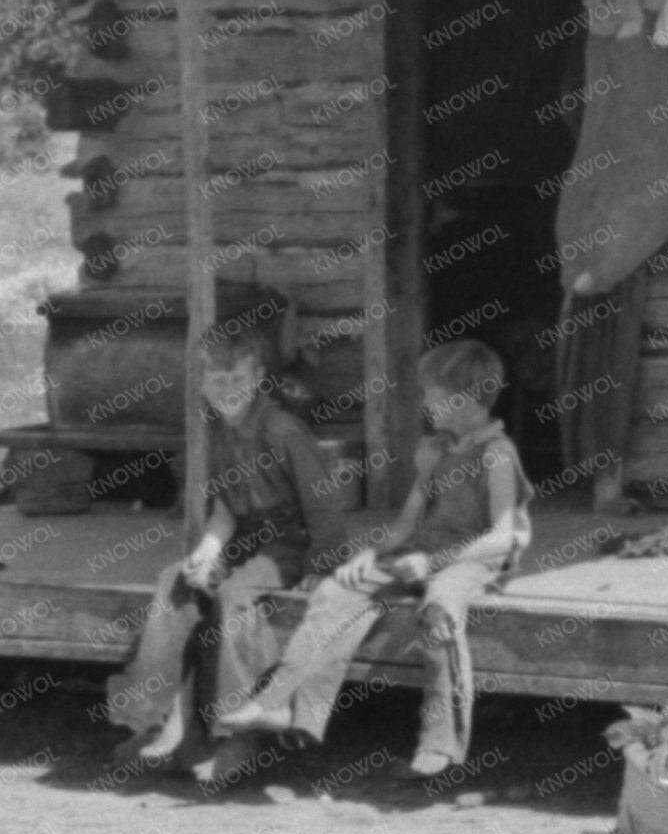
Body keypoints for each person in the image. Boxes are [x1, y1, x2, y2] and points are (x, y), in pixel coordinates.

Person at [204, 337, 532, 784]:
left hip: (470, 560)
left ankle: (439, 742)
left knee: (437, 613)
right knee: (335, 591)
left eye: (430, 393)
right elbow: (405, 525)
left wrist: (435, 564)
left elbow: (503, 536)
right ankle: (278, 701)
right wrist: (367, 557)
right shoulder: (434, 450)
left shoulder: (497, 454)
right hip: (421, 551)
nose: (424, 402)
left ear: (465, 399)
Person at [103, 321, 354, 769]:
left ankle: (237, 727)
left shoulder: (283, 432)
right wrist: (206, 552)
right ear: (201, 384)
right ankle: (158, 718)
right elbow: (227, 509)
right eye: (217, 380)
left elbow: (326, 508)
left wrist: (323, 565)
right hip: (244, 539)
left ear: (258, 377)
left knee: (235, 594)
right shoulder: (216, 433)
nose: (228, 389)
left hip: (290, 545)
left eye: (238, 378)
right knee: (174, 582)